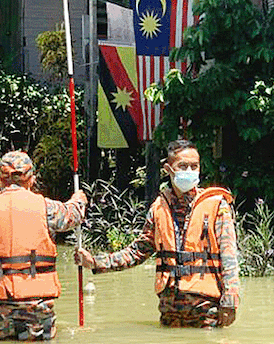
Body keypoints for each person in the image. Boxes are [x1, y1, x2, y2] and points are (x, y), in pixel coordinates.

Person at [75, 139, 240, 328]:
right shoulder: (158, 208)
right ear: (168, 169)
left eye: (194, 166)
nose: (189, 171)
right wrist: (95, 262)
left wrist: (230, 300)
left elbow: (229, 257)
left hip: (206, 311)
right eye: (183, 166)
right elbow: (137, 252)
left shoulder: (217, 205)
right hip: (169, 311)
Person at [0, 150, 87, 341]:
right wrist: (79, 199)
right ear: (32, 180)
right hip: (37, 308)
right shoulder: (47, 209)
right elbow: (73, 215)